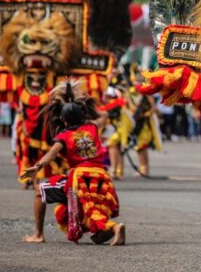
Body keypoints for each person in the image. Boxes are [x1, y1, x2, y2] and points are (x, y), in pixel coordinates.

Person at [20, 79, 124, 245]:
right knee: (87, 208)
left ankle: (38, 234)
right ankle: (103, 231)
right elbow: (104, 115)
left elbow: (51, 154)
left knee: (40, 191)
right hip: (102, 178)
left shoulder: (64, 135)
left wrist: (37, 166)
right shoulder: (92, 126)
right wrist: (82, 104)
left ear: (63, 119)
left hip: (81, 178)